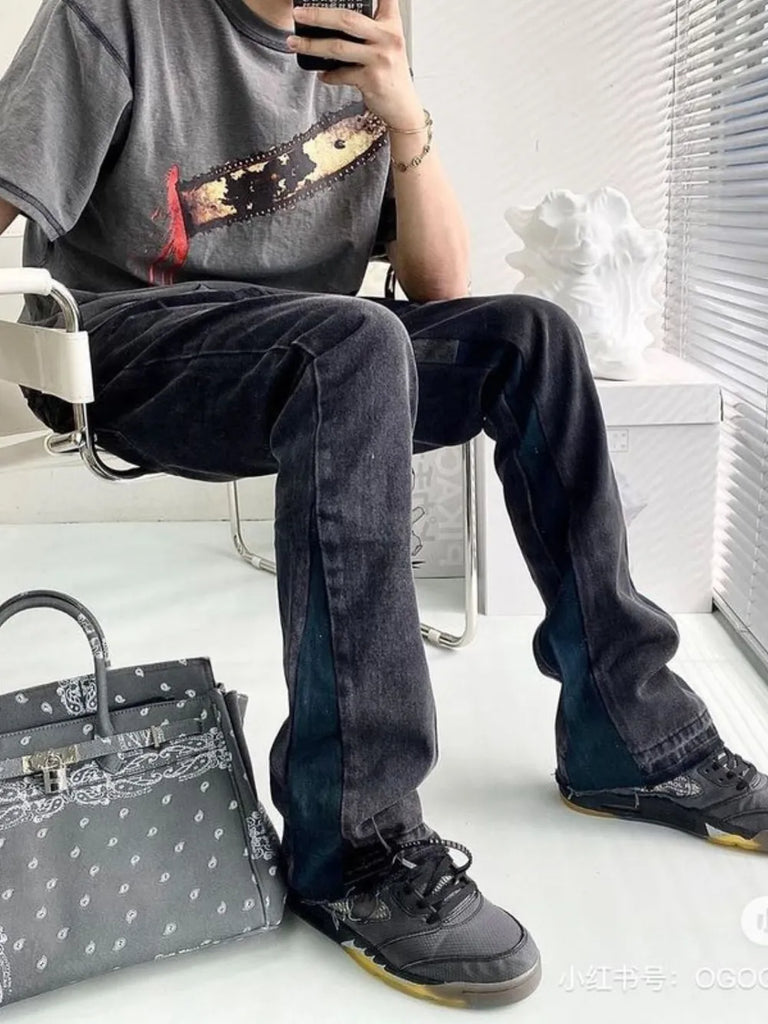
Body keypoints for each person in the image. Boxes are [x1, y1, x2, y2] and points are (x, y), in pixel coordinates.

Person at [0, 0, 765, 1009]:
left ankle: (629, 733)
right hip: (125, 348)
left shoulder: (364, 38)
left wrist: (404, 115)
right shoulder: (116, 16)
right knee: (356, 343)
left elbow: (439, 285)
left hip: (313, 347)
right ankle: (352, 843)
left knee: (532, 337)